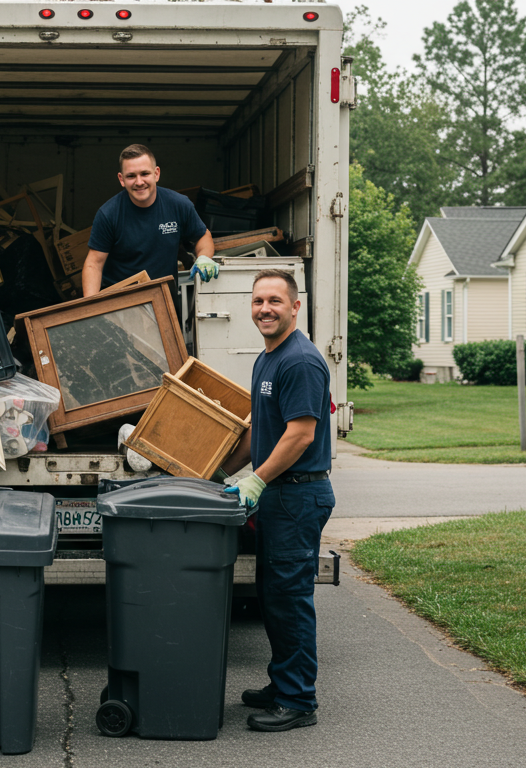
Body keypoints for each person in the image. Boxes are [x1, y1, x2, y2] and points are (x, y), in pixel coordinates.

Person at [219, 268, 335, 732]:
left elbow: (300, 435)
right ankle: (282, 681)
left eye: (274, 301)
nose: (264, 309)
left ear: (295, 306)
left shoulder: (300, 361)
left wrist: (256, 481)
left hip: (297, 494)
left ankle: (298, 699)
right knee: (272, 597)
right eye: (257, 301)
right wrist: (223, 471)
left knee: (290, 599)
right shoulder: (267, 357)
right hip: (278, 495)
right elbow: (259, 429)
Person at [80, 143, 219, 296]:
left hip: (164, 300)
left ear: (156, 173)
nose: (139, 182)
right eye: (131, 176)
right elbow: (94, 264)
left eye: (144, 174)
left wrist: (204, 257)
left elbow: (203, 235)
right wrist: (90, 310)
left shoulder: (178, 204)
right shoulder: (109, 214)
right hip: (120, 302)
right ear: (121, 179)